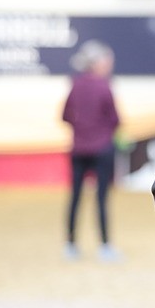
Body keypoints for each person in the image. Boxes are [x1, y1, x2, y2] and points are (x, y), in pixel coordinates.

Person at [61, 40, 121, 261]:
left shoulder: (75, 85)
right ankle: (105, 246)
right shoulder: (105, 86)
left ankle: (70, 244)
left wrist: (81, 127)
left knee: (75, 197)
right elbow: (115, 119)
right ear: (97, 63)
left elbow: (64, 115)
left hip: (78, 149)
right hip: (102, 149)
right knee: (101, 198)